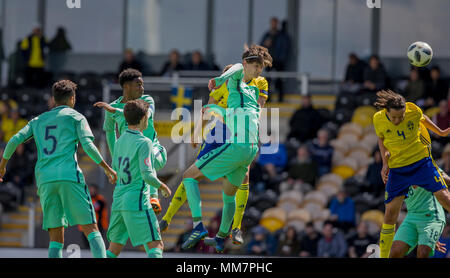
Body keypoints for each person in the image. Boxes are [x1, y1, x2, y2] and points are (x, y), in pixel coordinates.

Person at [160, 46, 272, 247]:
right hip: (232, 135)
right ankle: (173, 220)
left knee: (194, 176)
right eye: (256, 65)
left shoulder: (255, 83)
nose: (258, 71)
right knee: (217, 186)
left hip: (237, 134)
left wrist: (220, 95)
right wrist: (198, 131)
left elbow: (254, 106)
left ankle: (222, 227)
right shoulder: (238, 84)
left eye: (260, 67)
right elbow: (211, 107)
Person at [0, 80, 117, 258]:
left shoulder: (38, 120)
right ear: (72, 99)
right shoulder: (76, 117)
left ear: (54, 99)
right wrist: (106, 167)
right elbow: (88, 146)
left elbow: (14, 140)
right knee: (91, 228)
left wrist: (2, 165)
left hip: (45, 180)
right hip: (69, 176)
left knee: (55, 235)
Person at [372, 89, 450, 258]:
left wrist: (441, 132)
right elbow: (381, 139)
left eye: (401, 116)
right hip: (399, 170)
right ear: (386, 111)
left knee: (444, 196)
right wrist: (385, 163)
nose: (398, 120)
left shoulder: (413, 111)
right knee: (390, 214)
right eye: (394, 117)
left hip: (421, 163)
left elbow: (423, 119)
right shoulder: (378, 119)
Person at [94, 69, 167, 214]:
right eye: (138, 85)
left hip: (155, 150)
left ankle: (154, 197)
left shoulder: (147, 100)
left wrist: (116, 111)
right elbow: (109, 132)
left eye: (142, 84)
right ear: (126, 86)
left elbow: (146, 114)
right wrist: (116, 160)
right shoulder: (113, 106)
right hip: (130, 156)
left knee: (148, 156)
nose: (142, 88)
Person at [105, 100, 171, 258]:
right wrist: (162, 186)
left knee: (114, 248)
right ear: (143, 119)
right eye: (148, 117)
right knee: (156, 244)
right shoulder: (144, 142)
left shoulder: (120, 141)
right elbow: (147, 174)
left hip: (119, 200)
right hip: (137, 200)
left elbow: (115, 170)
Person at [389, 120, 448, 258]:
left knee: (423, 253)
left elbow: (441, 175)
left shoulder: (422, 162)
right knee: (394, 253)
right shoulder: (397, 170)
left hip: (431, 217)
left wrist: (430, 236)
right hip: (412, 217)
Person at [20, 23, 48, 88]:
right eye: (36, 30)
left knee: (40, 79)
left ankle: (39, 89)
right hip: (31, 62)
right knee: (29, 78)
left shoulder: (43, 38)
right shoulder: (28, 38)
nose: (37, 32)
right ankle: (29, 89)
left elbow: (47, 45)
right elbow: (23, 48)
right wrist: (25, 58)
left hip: (40, 62)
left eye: (38, 30)